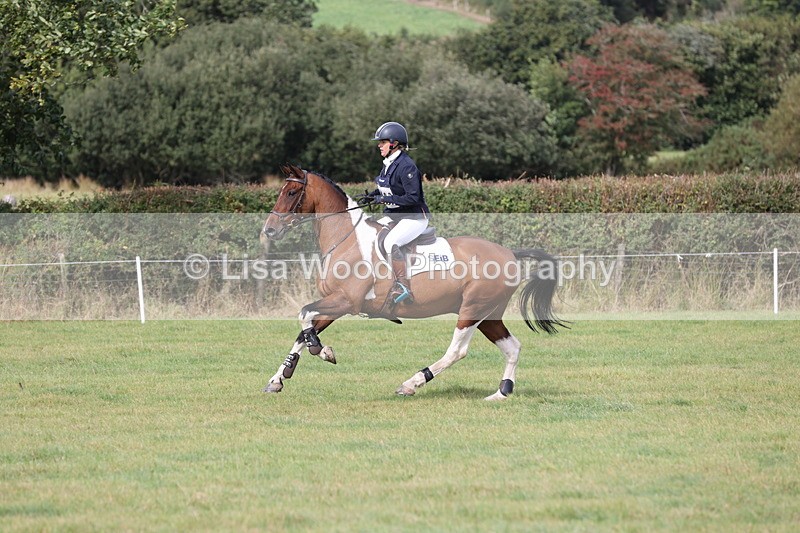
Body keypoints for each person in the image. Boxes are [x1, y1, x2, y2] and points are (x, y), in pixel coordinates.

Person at [360, 121, 430, 304]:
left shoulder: (407, 166)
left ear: (394, 143)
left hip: (414, 218)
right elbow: (390, 189)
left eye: (382, 142)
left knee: (391, 242)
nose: (378, 145)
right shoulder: (388, 164)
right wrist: (372, 196)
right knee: (368, 231)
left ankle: (403, 285)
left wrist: (383, 200)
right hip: (395, 217)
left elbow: (412, 198)